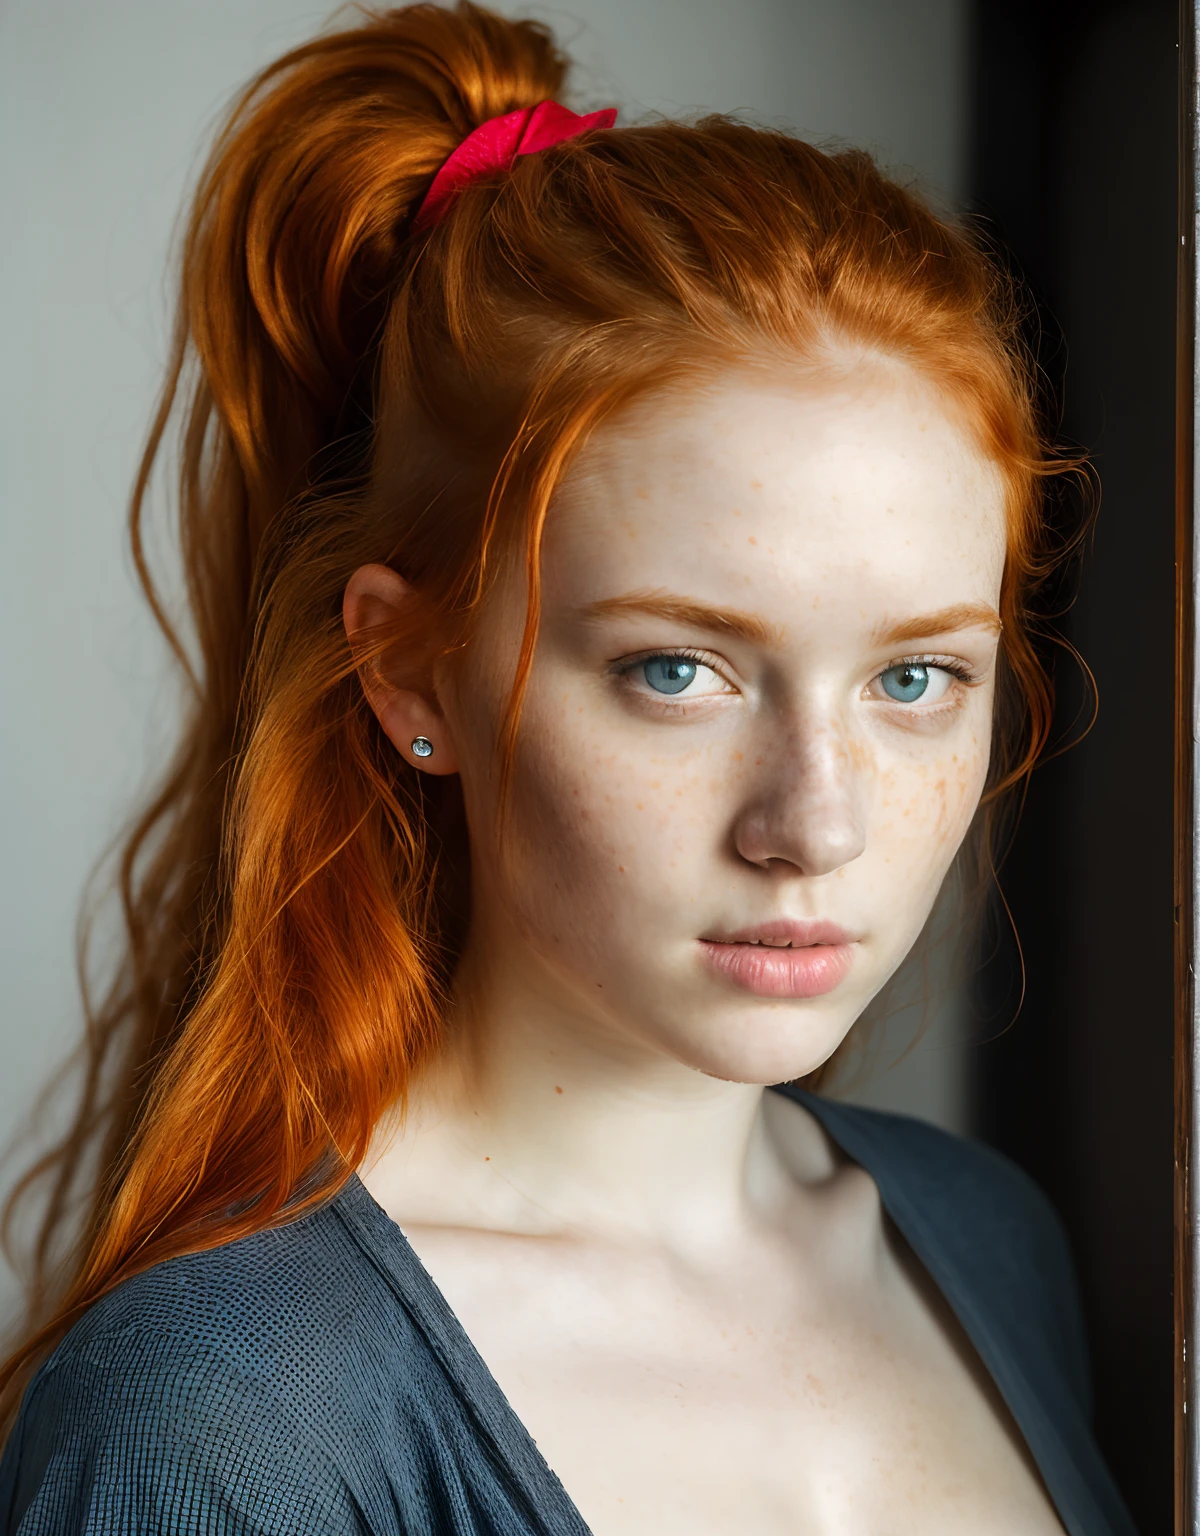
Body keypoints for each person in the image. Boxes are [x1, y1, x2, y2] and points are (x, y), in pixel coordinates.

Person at [0, 3, 1135, 1532]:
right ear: (413, 675)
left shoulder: (988, 1242)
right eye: (678, 670)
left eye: (914, 678)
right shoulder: (222, 1424)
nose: (815, 822)